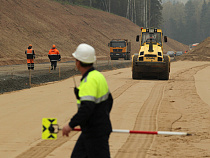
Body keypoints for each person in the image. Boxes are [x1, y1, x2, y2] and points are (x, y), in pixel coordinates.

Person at [62, 43, 113, 158]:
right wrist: (102, 116)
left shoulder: (88, 81)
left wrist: (70, 125)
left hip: (94, 132)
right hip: (94, 129)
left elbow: (86, 108)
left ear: (78, 62)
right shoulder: (98, 76)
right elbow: (109, 101)